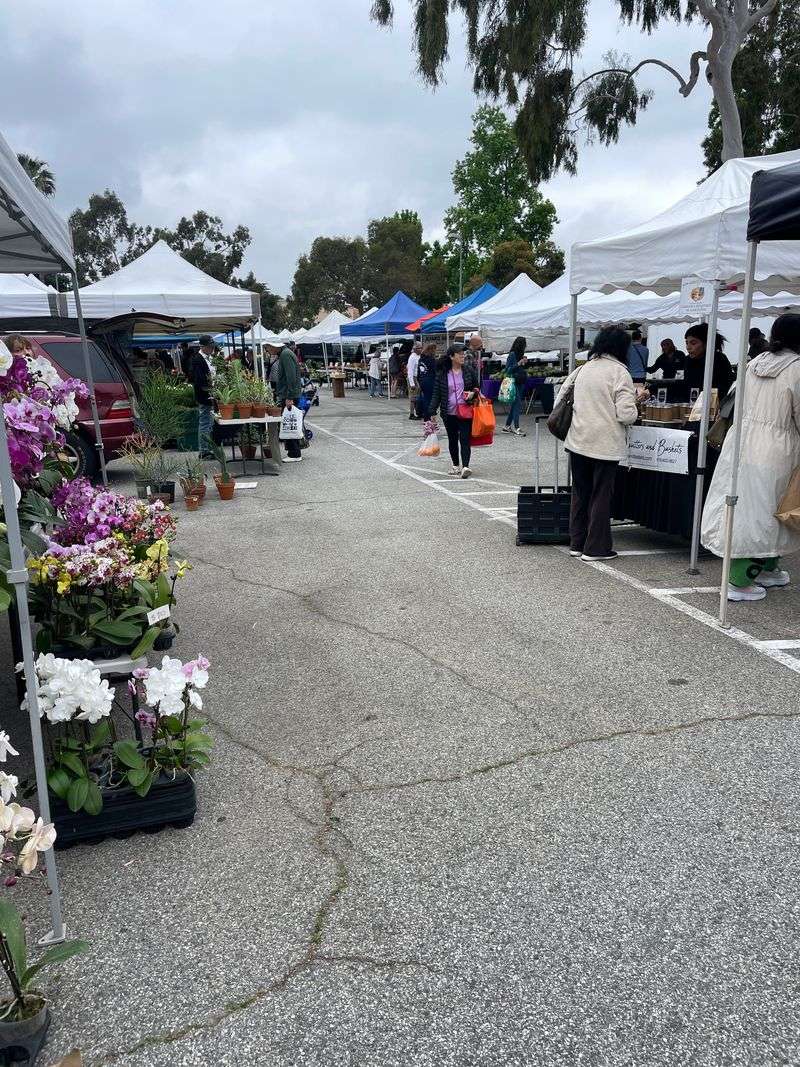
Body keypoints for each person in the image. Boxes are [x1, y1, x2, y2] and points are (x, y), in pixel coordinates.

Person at [702, 313, 800, 602]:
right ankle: (740, 580)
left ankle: (767, 568)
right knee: (772, 510)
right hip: (778, 447)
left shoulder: (754, 362)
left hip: (742, 442)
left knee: (750, 509)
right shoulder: (797, 369)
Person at [562, 326, 639, 561]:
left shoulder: (583, 369)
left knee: (581, 493)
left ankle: (577, 542)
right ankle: (596, 548)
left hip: (578, 439)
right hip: (605, 443)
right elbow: (626, 415)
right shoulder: (619, 372)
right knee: (601, 495)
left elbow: (561, 398)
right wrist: (636, 401)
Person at [426, 345, 480, 479]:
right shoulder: (443, 374)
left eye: (463, 354)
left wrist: (473, 393)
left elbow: (477, 386)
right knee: (453, 439)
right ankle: (456, 465)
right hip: (448, 412)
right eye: (459, 354)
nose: (462, 356)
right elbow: (437, 394)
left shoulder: (468, 370)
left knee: (465, 438)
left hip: (465, 410)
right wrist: (432, 411)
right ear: (451, 357)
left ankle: (466, 466)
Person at [684, 323, 734, 402]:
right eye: (687, 343)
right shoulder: (687, 360)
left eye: (693, 343)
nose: (688, 347)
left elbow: (724, 388)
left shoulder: (719, 359)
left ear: (706, 343)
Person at [189, 336, 217, 456]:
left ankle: (206, 448)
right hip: (204, 395)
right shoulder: (197, 360)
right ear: (202, 346)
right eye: (210, 346)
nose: (212, 348)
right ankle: (204, 450)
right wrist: (210, 390)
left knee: (208, 422)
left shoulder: (208, 358)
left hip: (209, 395)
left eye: (212, 346)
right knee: (205, 423)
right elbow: (199, 381)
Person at [501, 336, 529, 437]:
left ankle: (507, 426)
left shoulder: (519, 355)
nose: (525, 347)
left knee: (515, 405)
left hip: (520, 381)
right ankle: (517, 427)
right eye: (524, 345)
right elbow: (508, 370)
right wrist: (519, 363)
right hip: (513, 382)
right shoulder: (512, 354)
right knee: (517, 404)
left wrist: (523, 363)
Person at [416, 342, 437, 418]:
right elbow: (435, 371)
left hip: (422, 381)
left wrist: (419, 381)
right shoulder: (431, 360)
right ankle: (427, 415)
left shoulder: (421, 359)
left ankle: (424, 413)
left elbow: (419, 372)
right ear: (431, 350)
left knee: (425, 398)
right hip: (430, 381)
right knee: (429, 399)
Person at [407, 342, 421, 419]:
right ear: (415, 349)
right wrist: (412, 383)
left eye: (421, 348)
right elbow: (410, 371)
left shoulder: (418, 356)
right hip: (413, 377)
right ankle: (412, 414)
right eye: (419, 348)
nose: (420, 349)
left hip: (417, 377)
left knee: (416, 397)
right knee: (413, 397)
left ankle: (417, 412)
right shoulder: (412, 357)